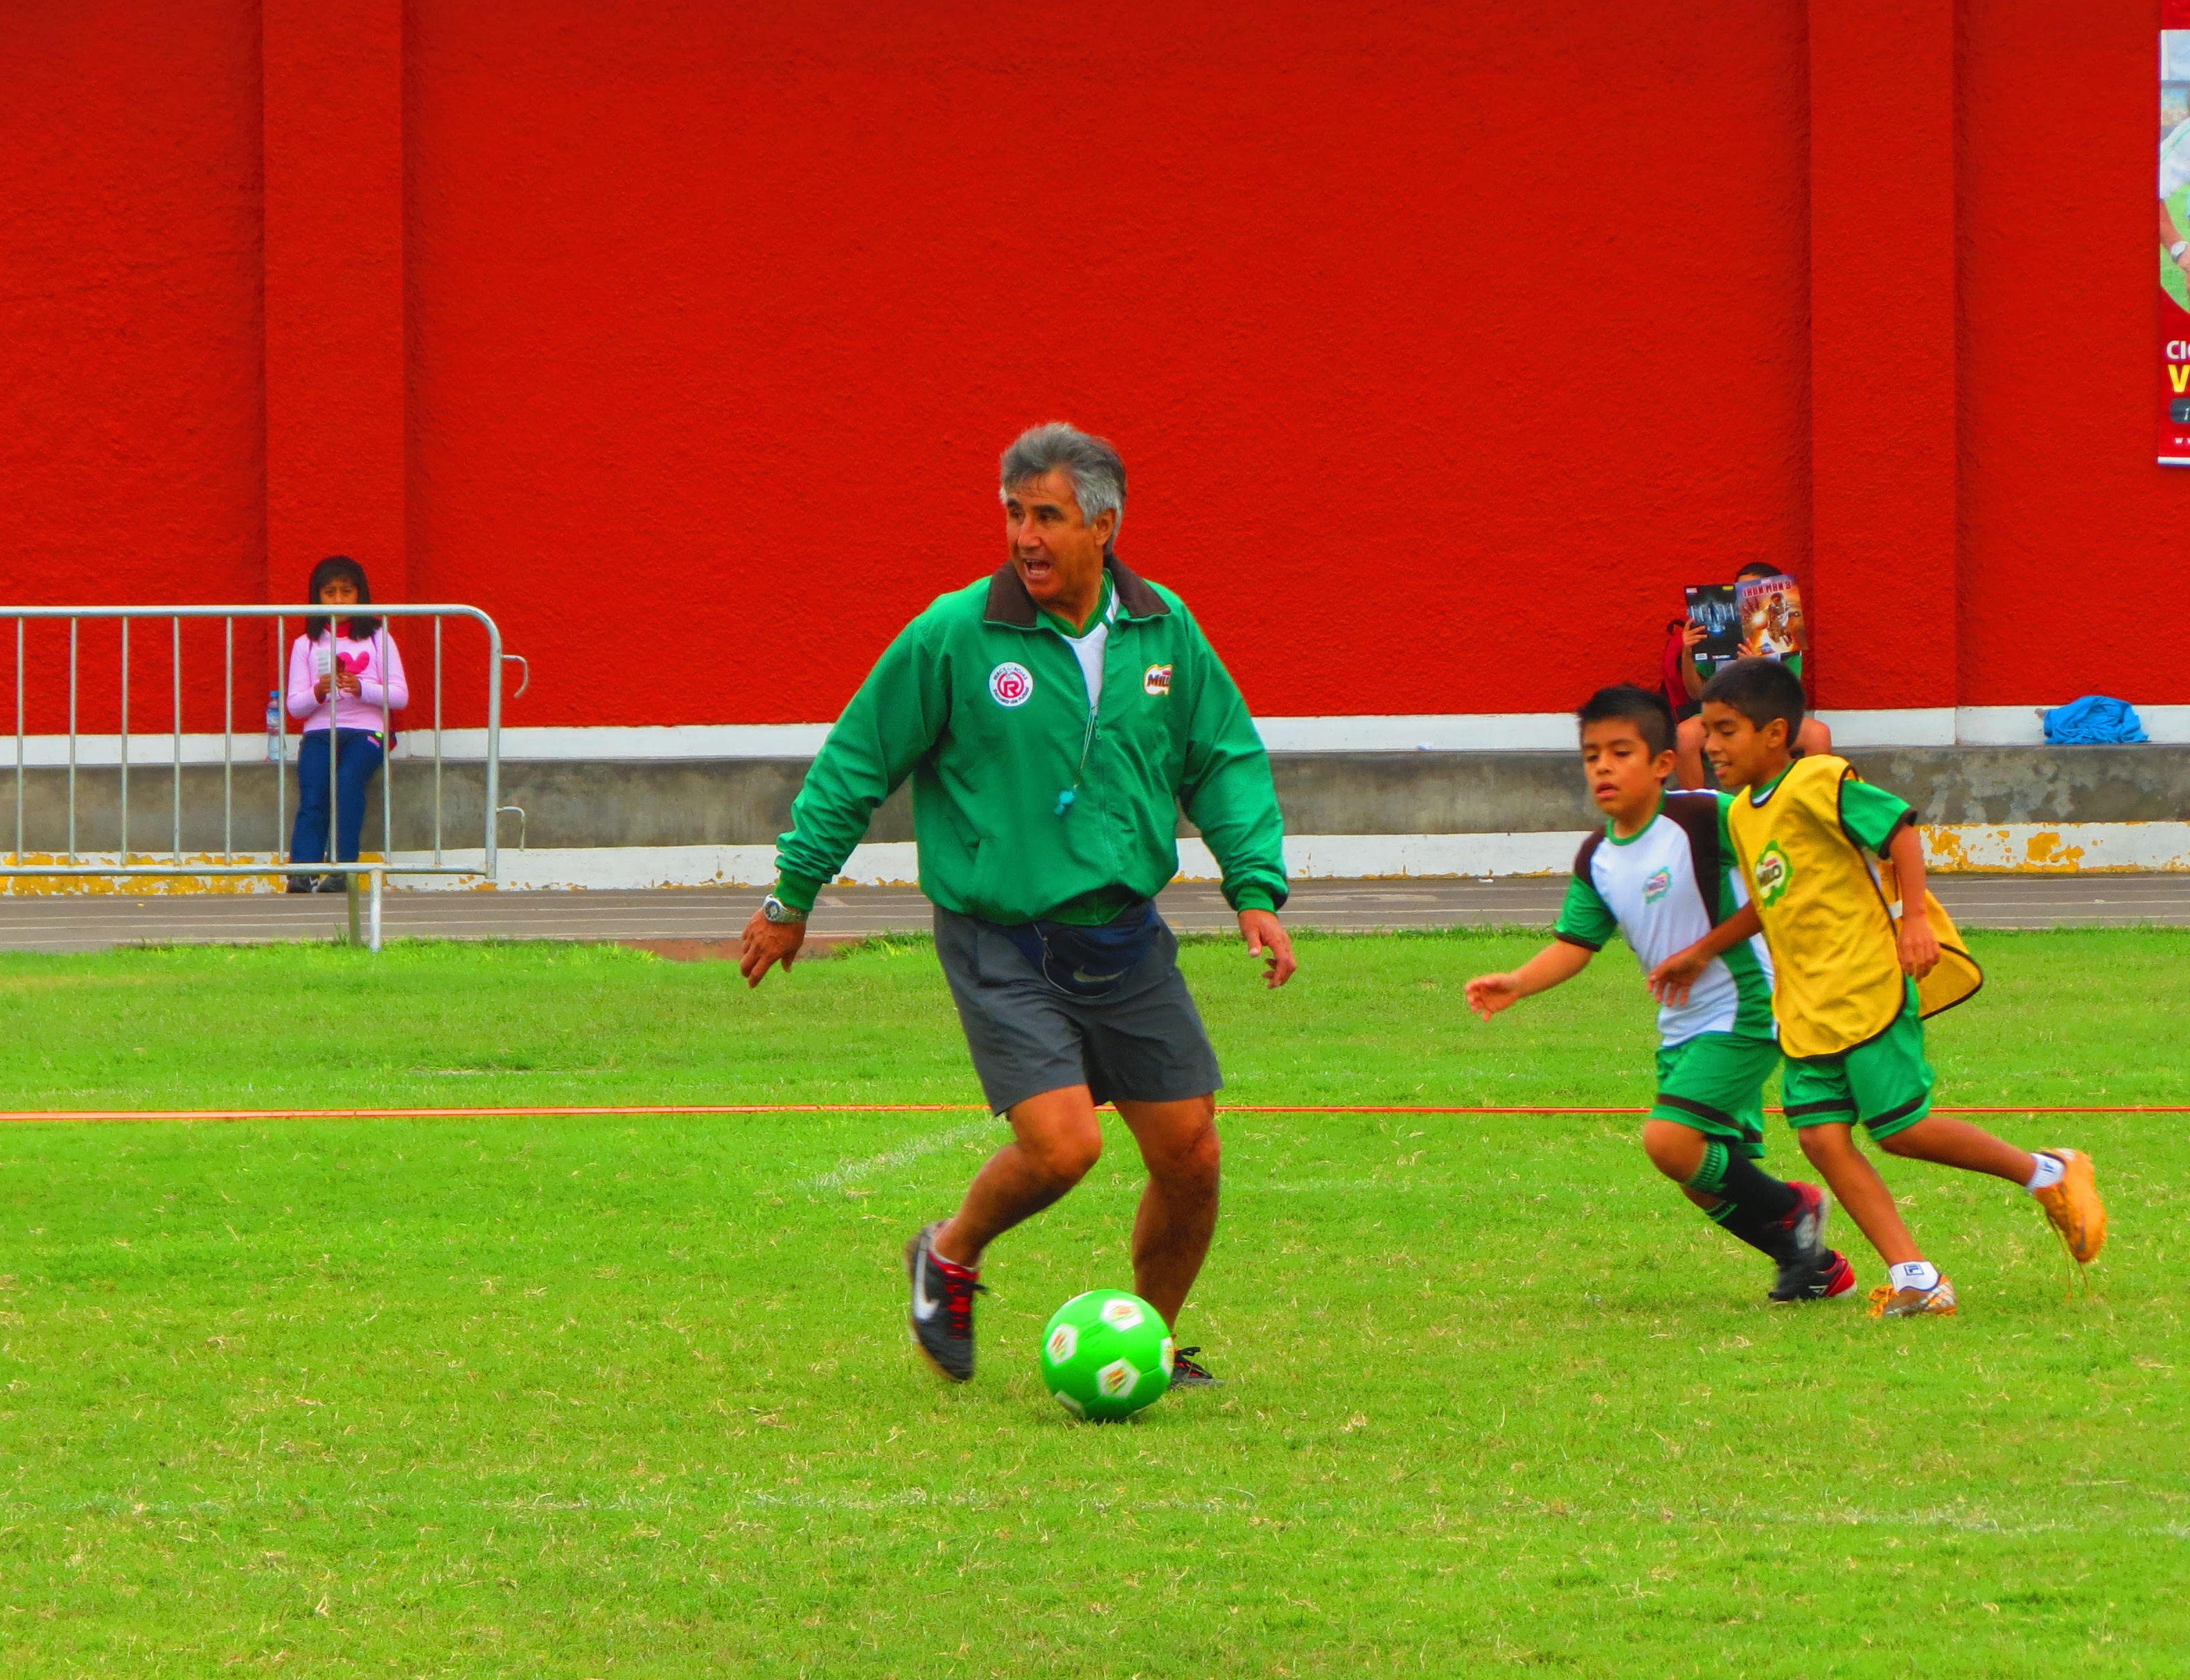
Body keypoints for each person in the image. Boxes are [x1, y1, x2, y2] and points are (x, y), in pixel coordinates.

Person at [739, 423, 1295, 1386]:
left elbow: (1225, 761)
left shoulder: (1164, 628)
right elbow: (857, 759)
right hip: (1003, 942)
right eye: (1012, 514)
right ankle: (948, 1254)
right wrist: (794, 893)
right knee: (1065, 1146)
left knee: (1191, 1154)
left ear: (1105, 525)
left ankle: (1146, 1342)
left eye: (1047, 516)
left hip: (1124, 938)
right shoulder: (956, 634)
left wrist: (1254, 889)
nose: (1025, 536)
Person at [1697, 658, 2108, 1318]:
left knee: (1900, 1129)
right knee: (1820, 1139)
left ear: (1775, 733)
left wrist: (1913, 920)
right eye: (1705, 731)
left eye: (1725, 730)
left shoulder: (1820, 779)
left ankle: (2047, 1171)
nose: (1710, 745)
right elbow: (1768, 901)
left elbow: (1899, 832)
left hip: (1865, 988)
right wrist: (1701, 951)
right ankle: (1916, 1274)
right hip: (1804, 1007)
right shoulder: (1742, 813)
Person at [1464, 684, 1851, 1304]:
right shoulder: (1597, 856)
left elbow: (1783, 881)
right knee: (1700, 1178)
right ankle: (1810, 1262)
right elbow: (1575, 942)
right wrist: (1517, 982)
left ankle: (1795, 1205)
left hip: (1746, 1006)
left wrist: (1704, 949)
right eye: (1592, 755)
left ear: (1663, 763)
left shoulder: (1704, 817)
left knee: (1668, 1141)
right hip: (1681, 1026)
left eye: (1621, 751)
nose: (1603, 767)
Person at [284, 556, 408, 893]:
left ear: (360, 595)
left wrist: (362, 688)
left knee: (348, 781)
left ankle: (343, 868)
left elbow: (399, 696)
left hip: (368, 731)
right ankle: (303, 871)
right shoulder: (305, 644)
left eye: (346, 592)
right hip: (319, 732)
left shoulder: (379, 637)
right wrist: (318, 692)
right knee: (314, 791)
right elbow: (295, 706)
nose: (338, 600)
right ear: (317, 598)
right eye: (329, 593)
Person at [1670, 561, 1831, 789]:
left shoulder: (1787, 644)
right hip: (1722, 717)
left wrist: (1756, 670)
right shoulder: (1714, 639)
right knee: (1685, 735)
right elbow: (1696, 693)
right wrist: (1688, 653)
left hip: (1766, 719)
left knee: (1819, 734)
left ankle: (1809, 806)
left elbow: (1787, 700)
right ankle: (1700, 812)